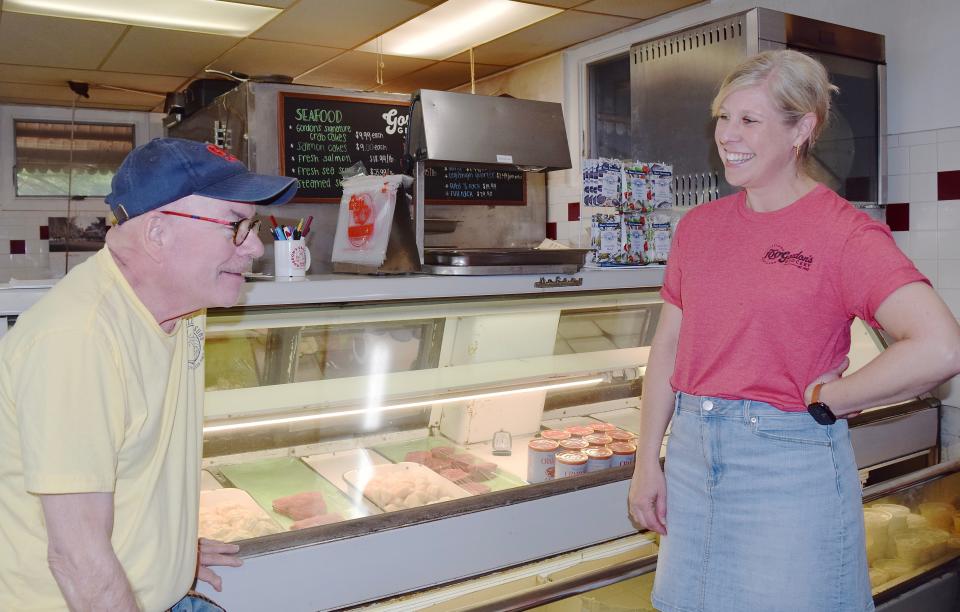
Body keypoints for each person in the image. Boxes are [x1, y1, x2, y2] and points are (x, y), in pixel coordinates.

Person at [627, 50, 960, 612]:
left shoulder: (844, 233)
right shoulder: (699, 229)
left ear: (802, 129)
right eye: (723, 117)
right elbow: (669, 346)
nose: (727, 135)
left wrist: (832, 397)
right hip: (689, 454)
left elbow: (940, 345)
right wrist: (646, 464)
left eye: (749, 121)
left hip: (784, 463)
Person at [0, 137, 297, 611]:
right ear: (158, 233)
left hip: (160, 592)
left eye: (253, 225)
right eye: (237, 226)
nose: (256, 247)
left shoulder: (185, 308)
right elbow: (78, 560)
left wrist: (169, 551)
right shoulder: (78, 339)